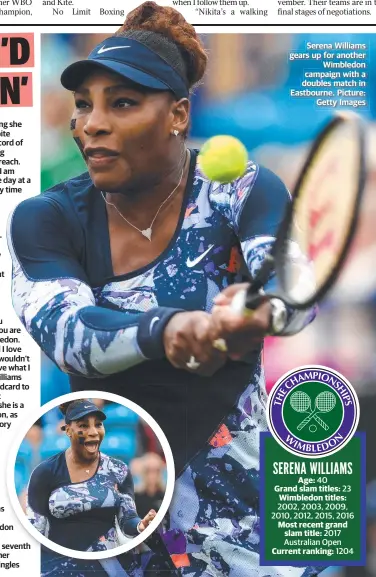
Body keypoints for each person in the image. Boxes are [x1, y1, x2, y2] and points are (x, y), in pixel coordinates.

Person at [8, 2, 321, 576]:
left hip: (247, 513)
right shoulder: (43, 218)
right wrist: (169, 327)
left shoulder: (243, 190)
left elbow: (293, 289)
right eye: (83, 105)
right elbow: (66, 331)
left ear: (178, 114)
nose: (91, 124)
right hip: (109, 547)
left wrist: (262, 310)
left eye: (122, 103)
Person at [27, 399, 157, 576]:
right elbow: (35, 527)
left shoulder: (118, 470)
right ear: (68, 431)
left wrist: (141, 526)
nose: (93, 432)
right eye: (83, 425)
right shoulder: (45, 472)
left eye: (98, 424)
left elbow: (128, 518)